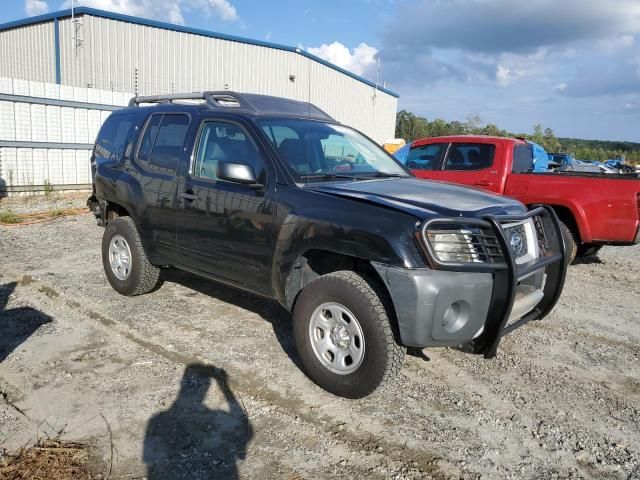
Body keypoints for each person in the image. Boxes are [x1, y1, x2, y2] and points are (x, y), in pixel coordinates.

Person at [143, 364, 253, 479]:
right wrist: (224, 386)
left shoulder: (157, 420)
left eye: (205, 386)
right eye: (205, 386)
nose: (203, 391)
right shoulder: (158, 421)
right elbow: (245, 431)